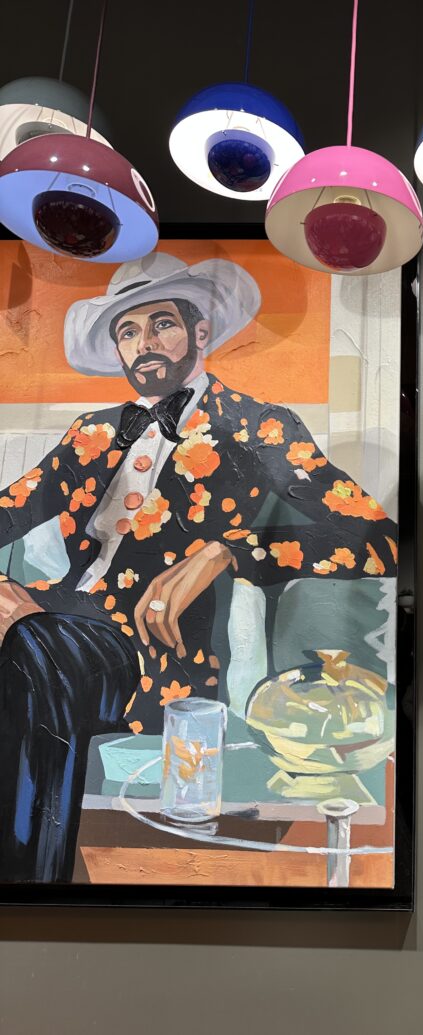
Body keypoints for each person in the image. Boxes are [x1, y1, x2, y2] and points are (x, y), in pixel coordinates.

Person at [0, 252, 398, 880]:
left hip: (151, 647)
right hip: (56, 617)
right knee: (27, 638)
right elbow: (10, 510)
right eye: (128, 331)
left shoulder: (259, 425)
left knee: (32, 647)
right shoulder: (91, 432)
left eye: (161, 324)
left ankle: (26, 884)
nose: (144, 344)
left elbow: (373, 536)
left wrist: (229, 550)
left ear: (200, 331)